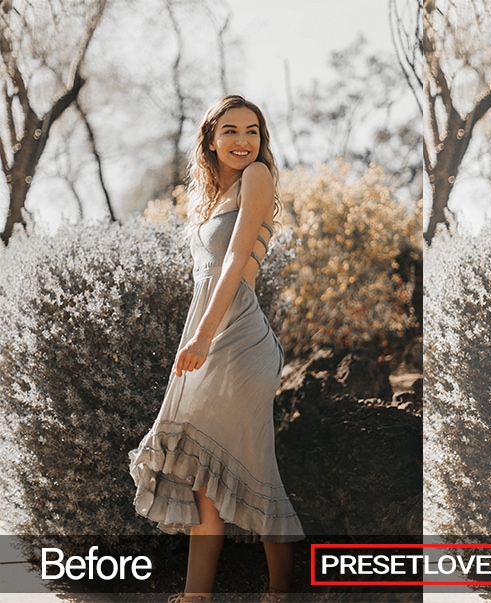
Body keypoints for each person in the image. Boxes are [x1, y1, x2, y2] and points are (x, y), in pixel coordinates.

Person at [129, 95, 304, 603]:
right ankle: (196, 596)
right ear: (210, 139)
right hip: (207, 334)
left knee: (258, 468)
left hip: (240, 338)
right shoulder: (208, 198)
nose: (243, 141)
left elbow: (231, 266)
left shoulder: (257, 178)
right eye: (230, 131)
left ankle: (279, 592)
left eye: (252, 131)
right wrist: (198, 335)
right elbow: (205, 278)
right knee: (202, 473)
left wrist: (203, 336)